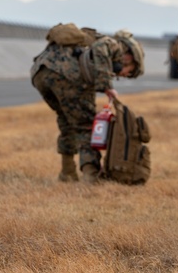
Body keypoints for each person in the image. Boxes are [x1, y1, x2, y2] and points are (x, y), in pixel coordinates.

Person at [31, 28, 145, 183]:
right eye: (128, 72)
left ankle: (67, 172)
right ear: (129, 57)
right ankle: (91, 176)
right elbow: (100, 48)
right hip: (66, 74)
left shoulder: (84, 46)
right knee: (88, 126)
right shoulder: (114, 45)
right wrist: (106, 85)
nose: (123, 75)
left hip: (40, 73)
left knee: (66, 120)